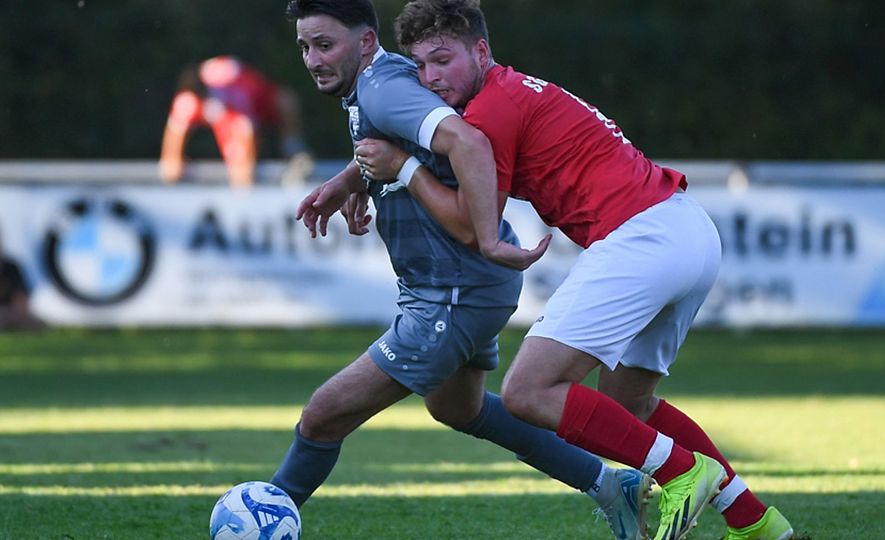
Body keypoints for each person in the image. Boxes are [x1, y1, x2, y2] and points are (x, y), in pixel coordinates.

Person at [351, 1, 794, 539]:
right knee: (630, 404)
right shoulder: (512, 91)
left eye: (443, 59)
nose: (431, 77)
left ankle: (681, 471)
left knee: (528, 392)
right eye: (420, 66)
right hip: (688, 229)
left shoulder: (487, 114)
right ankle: (756, 523)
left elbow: (470, 225)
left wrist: (402, 170)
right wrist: (350, 182)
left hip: (642, 236)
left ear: (481, 51)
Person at [275, 1, 654, 538]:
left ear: (364, 44)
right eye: (305, 47)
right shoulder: (379, 84)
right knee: (458, 408)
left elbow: (466, 141)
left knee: (322, 416)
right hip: (457, 285)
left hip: (453, 289)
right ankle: (612, 487)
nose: (313, 59)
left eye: (324, 45)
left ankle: (266, 518)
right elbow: (401, 144)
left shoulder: (385, 86)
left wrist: (485, 238)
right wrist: (349, 182)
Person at [159, 55, 314, 188]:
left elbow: (245, 129)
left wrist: (242, 169)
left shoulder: (233, 94)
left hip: (258, 103)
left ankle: (293, 150)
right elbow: (175, 130)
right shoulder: (189, 101)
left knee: (286, 101)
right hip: (237, 108)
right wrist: (172, 158)